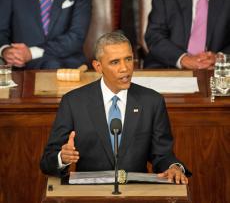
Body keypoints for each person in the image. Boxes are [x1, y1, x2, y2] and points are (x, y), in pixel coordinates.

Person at [40, 31, 191, 184]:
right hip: (89, 194)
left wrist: (174, 167)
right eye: (115, 62)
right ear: (98, 66)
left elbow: (162, 155)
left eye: (128, 59)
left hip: (136, 193)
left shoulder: (152, 101)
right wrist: (62, 158)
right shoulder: (73, 102)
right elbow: (47, 162)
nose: (125, 68)